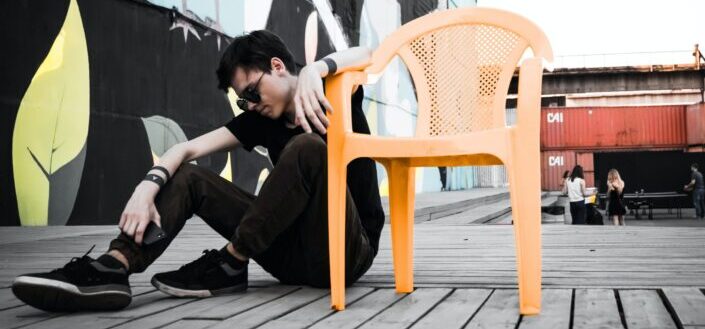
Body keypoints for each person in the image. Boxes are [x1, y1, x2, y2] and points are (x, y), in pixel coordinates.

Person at [11, 30, 385, 312]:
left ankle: (232, 259)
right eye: (242, 100)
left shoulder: (333, 91)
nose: (249, 105)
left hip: (347, 251)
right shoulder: (260, 121)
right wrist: (146, 188)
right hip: (287, 256)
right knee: (190, 175)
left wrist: (316, 70)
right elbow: (185, 148)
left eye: (252, 93)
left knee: (306, 148)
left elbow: (368, 52)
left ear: (277, 66)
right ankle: (114, 266)